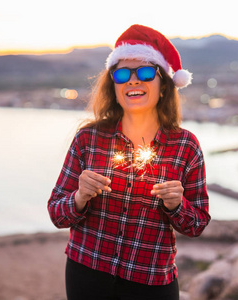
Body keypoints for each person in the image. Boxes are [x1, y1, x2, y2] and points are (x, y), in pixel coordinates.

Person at [48, 24, 211, 300]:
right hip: (86, 272)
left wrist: (176, 205)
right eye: (122, 74)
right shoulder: (88, 139)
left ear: (163, 87)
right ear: (114, 87)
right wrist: (79, 197)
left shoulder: (186, 146)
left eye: (146, 72)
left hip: (150, 280)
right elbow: (56, 212)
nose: (133, 81)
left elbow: (197, 224)